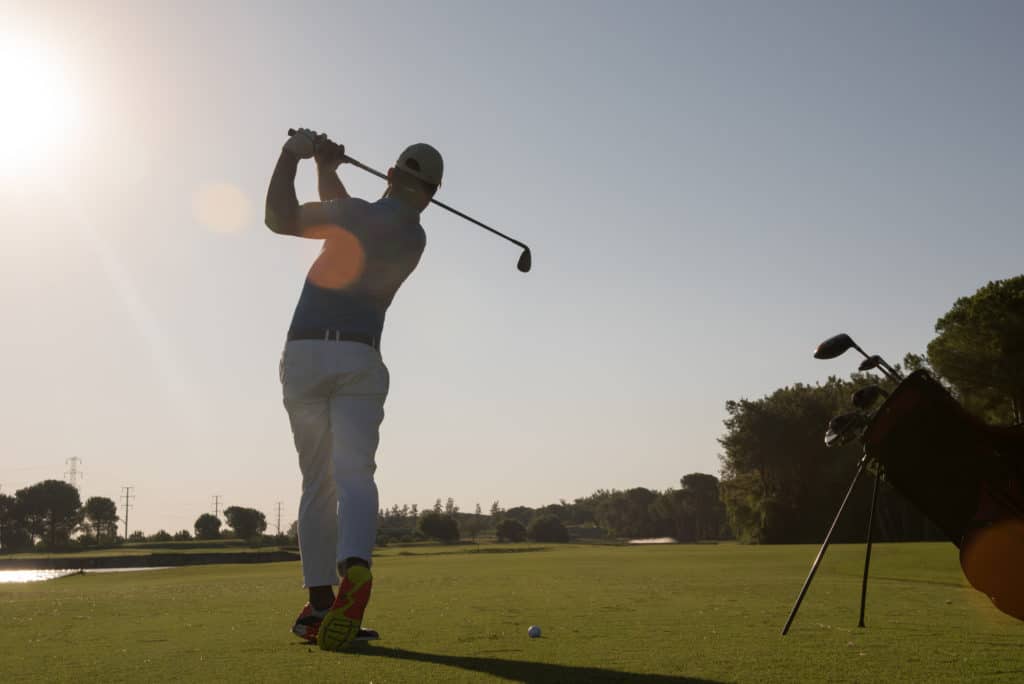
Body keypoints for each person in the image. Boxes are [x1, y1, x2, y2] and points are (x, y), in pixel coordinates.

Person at [265, 128, 442, 650]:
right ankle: (355, 570)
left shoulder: (357, 215)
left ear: (389, 174)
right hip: (361, 358)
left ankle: (319, 606)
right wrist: (329, 166)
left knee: (316, 484)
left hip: (305, 355)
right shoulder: (414, 238)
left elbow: (280, 218)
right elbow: (347, 214)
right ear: (430, 195)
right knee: (355, 475)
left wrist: (293, 155)